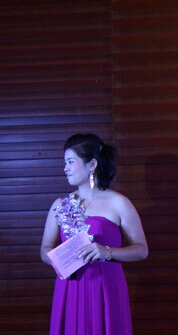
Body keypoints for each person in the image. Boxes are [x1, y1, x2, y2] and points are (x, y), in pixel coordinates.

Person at [40, 134, 148, 335]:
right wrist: (60, 258)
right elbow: (45, 249)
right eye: (65, 163)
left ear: (91, 165)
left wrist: (106, 252)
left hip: (106, 285)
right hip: (70, 286)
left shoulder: (119, 202)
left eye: (70, 162)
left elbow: (142, 250)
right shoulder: (60, 205)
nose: (65, 168)